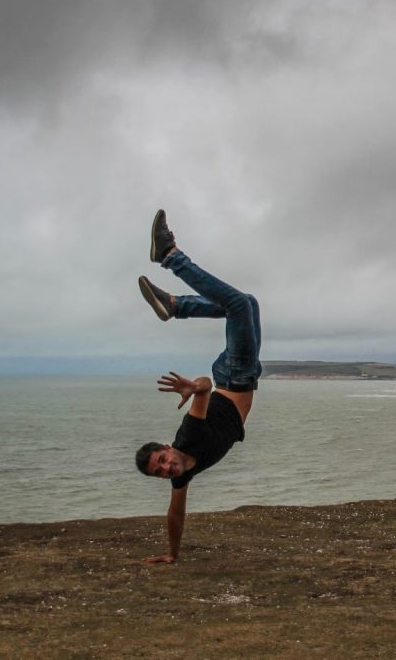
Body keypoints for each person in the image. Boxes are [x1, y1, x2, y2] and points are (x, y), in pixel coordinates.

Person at [134, 209, 262, 565]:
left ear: (166, 447)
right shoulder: (182, 476)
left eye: (161, 460)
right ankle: (175, 305)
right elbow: (175, 515)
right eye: (159, 471)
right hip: (240, 376)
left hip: (234, 377)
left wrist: (194, 387)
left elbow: (205, 389)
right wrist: (172, 555)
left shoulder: (188, 435)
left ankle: (170, 256)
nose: (166, 468)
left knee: (237, 305)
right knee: (245, 303)